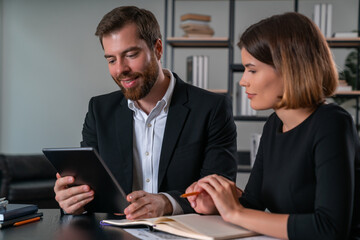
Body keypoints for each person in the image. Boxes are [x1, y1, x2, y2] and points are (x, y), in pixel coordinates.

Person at [185, 12, 360, 240]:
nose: (242, 80)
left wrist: (235, 212)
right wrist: (215, 203)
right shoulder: (274, 124)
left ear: (290, 68)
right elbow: (253, 203)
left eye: (252, 69)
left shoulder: (332, 123)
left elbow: (329, 228)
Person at [53, 6, 237, 219]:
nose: (120, 69)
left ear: (158, 49)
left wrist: (167, 202)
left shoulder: (212, 108)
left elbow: (219, 191)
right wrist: (72, 200)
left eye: (130, 55)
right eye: (111, 60)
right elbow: (89, 187)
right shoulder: (99, 111)